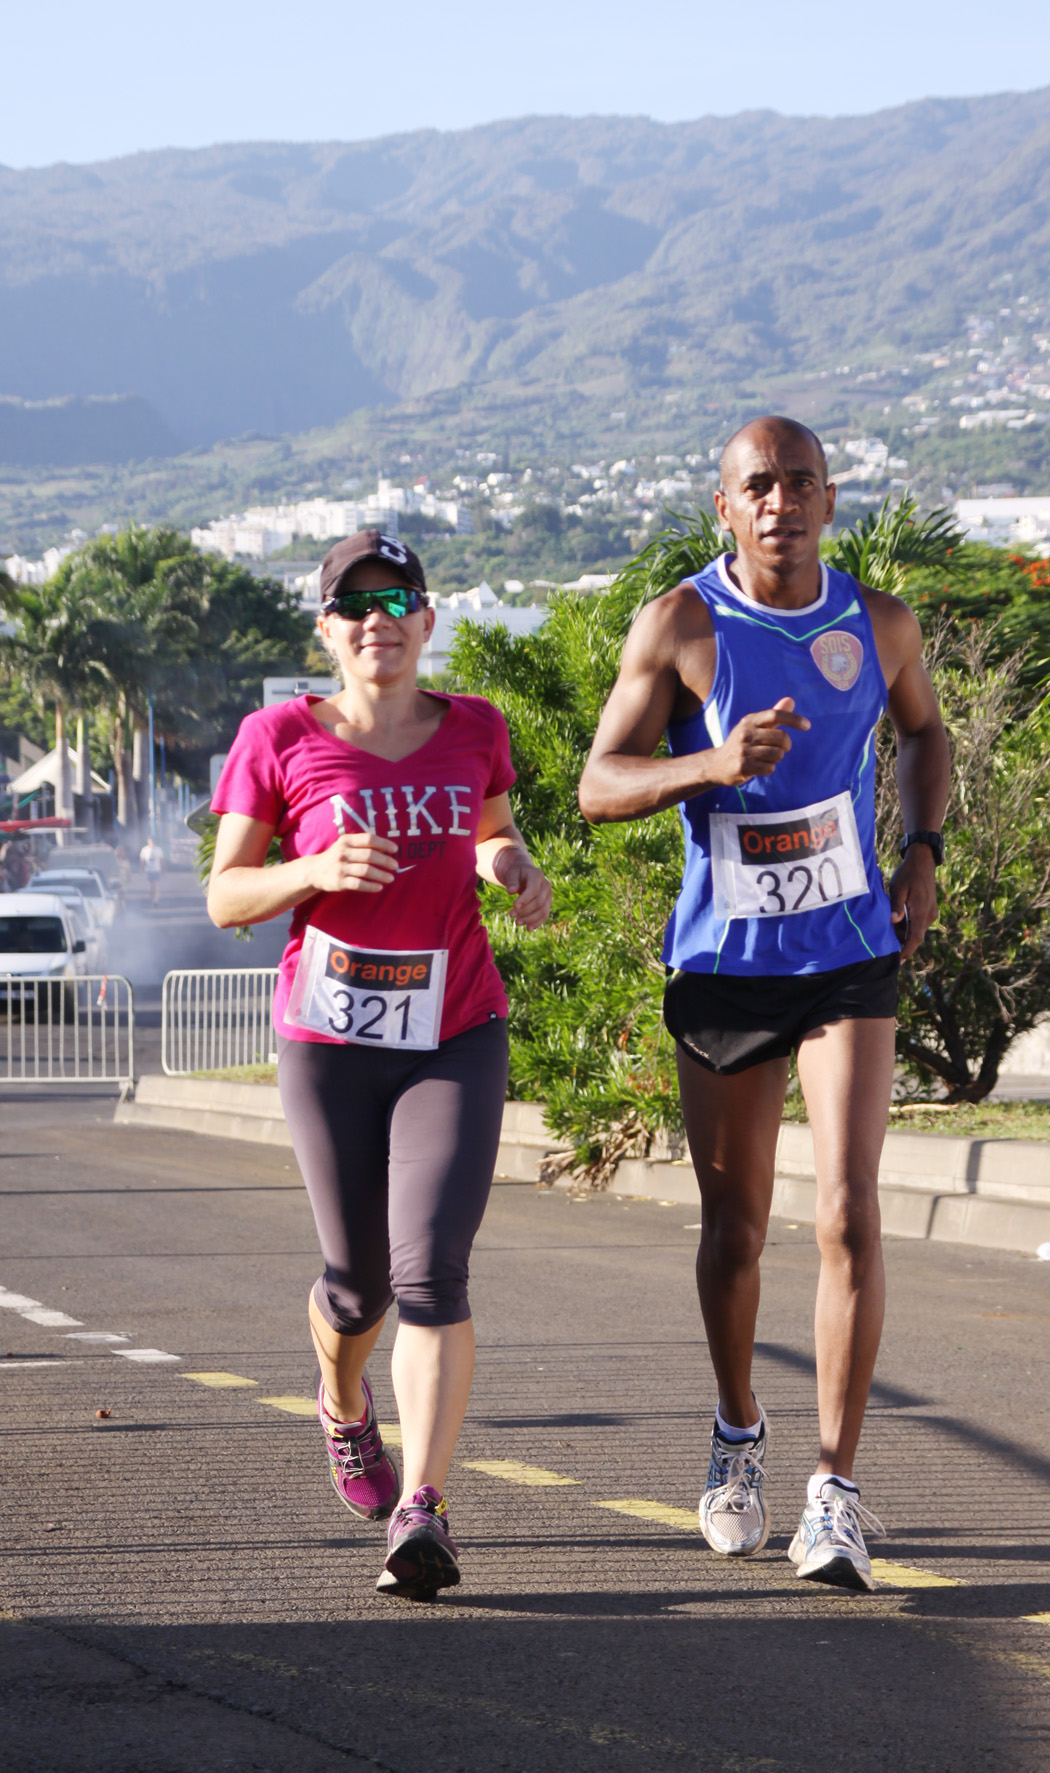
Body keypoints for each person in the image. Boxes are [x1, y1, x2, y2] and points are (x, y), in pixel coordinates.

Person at [578, 418, 949, 1591]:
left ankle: (833, 1491)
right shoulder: (681, 624)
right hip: (726, 965)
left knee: (847, 1211)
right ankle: (737, 1434)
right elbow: (596, 785)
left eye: (798, 482)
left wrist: (923, 849)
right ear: (723, 507)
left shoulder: (876, 622)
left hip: (847, 951)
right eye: (757, 485)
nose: (779, 500)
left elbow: (925, 730)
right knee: (734, 1231)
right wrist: (705, 766)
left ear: (827, 499)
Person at [207, 529, 552, 1600]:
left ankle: (425, 1507)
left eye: (397, 601)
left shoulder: (475, 730)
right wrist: (313, 866)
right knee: (357, 1289)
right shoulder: (276, 738)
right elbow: (226, 897)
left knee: (430, 1274)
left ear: (427, 622)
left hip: (452, 1029)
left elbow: (489, 828)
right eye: (354, 607)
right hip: (329, 1040)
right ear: (327, 632)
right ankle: (344, 1406)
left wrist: (512, 868)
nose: (378, 621)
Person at [139, 835, 164, 906]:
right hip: (149, 870)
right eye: (150, 841)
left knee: (156, 885)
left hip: (156, 869)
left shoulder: (158, 849)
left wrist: (163, 869)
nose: (152, 842)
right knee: (150, 886)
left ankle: (155, 900)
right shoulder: (144, 849)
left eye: (153, 841)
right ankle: (151, 898)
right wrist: (141, 869)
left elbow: (162, 860)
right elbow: (142, 861)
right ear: (148, 841)